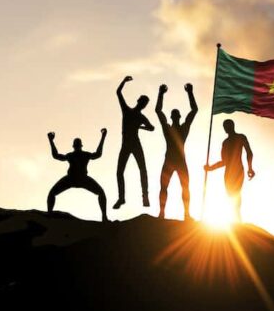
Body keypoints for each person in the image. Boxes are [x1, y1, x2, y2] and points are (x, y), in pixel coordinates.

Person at [155, 83, 198, 221]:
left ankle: (185, 214)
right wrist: (189, 93)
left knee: (181, 187)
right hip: (174, 160)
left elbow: (194, 111)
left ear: (175, 117)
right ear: (178, 117)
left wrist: (161, 94)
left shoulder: (178, 128)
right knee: (168, 187)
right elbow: (158, 111)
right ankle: (164, 213)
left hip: (176, 160)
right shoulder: (177, 128)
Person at [47, 129, 109, 222]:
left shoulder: (78, 155)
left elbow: (97, 154)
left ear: (75, 146)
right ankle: (49, 215)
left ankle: (104, 217)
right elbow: (56, 156)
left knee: (101, 192)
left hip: (79, 179)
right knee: (52, 193)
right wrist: (51, 141)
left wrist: (51, 140)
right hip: (74, 179)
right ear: (80, 146)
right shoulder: (75, 155)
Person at [114, 75, 155, 209]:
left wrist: (142, 127)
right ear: (140, 102)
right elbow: (118, 93)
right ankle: (122, 198)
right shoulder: (130, 111)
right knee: (122, 171)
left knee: (141, 170)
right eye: (143, 102)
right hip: (128, 144)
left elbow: (152, 127)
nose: (143, 104)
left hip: (132, 144)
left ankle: (144, 196)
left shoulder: (136, 115)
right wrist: (123, 81)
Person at [203, 119, 255, 222]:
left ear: (232, 126)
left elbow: (249, 152)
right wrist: (210, 168)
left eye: (227, 126)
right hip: (228, 172)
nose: (226, 129)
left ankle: (237, 219)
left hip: (238, 170)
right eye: (224, 127)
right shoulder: (225, 143)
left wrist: (250, 167)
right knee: (230, 195)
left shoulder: (241, 137)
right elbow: (224, 161)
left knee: (236, 194)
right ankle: (233, 219)